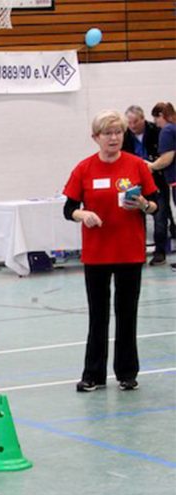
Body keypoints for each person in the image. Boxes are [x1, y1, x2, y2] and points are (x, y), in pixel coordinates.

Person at [63, 110, 158, 392]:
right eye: (107, 133)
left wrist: (142, 204)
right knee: (98, 315)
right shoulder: (84, 169)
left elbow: (154, 204)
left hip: (129, 251)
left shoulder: (136, 166)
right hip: (97, 253)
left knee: (127, 314)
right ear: (96, 138)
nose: (114, 138)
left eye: (118, 132)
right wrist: (84, 215)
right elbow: (68, 208)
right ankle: (93, 374)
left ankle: (127, 373)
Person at [122, 105, 170, 265]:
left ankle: (160, 252)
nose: (133, 126)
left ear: (143, 119)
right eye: (129, 122)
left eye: (135, 121)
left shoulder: (157, 131)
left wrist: (151, 165)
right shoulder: (124, 136)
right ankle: (138, 252)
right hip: (134, 182)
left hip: (157, 179)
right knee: (136, 218)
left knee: (160, 216)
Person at [147, 102, 176, 270]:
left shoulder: (166, 131)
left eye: (156, 118)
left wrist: (149, 166)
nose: (155, 123)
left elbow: (167, 158)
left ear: (160, 116)